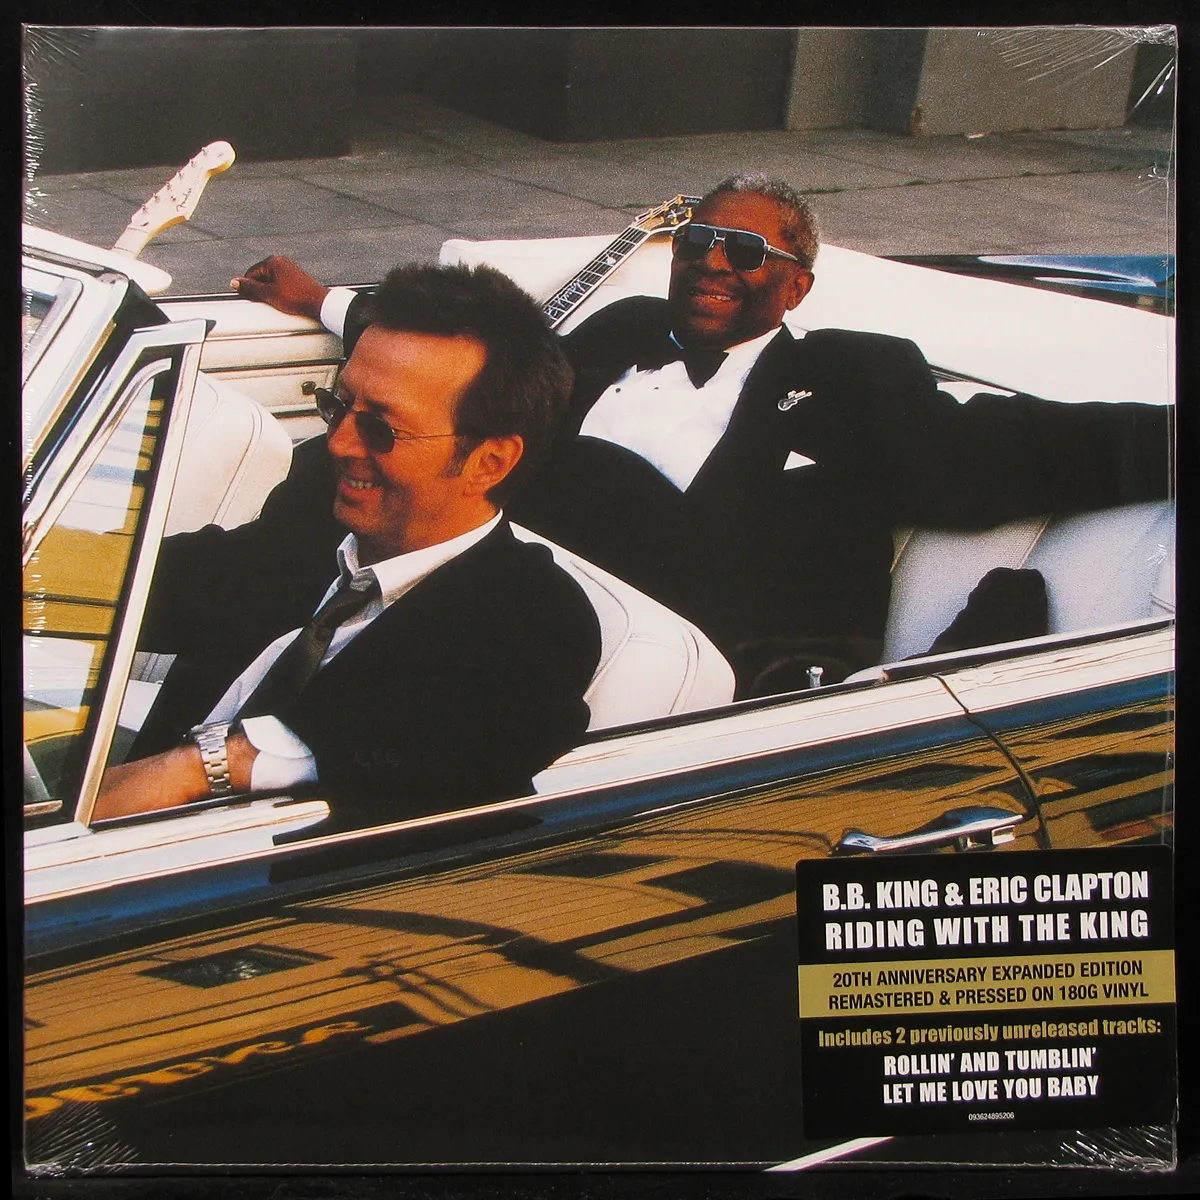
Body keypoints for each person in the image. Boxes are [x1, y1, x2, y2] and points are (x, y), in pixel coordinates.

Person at [225, 174, 1172, 693]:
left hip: (694, 660)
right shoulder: (621, 332)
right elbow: (482, 374)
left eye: (746, 250)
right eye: (696, 242)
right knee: (340, 469)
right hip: (488, 600)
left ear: (796, 285)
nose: (712, 261)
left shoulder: (852, 374)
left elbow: (1000, 453)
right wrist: (327, 303)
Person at [96, 263, 602, 829]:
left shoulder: (538, 622)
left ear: (489, 461)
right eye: (338, 406)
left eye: (381, 428)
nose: (338, 443)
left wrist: (203, 766)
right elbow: (175, 579)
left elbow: (429, 740)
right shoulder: (319, 507)